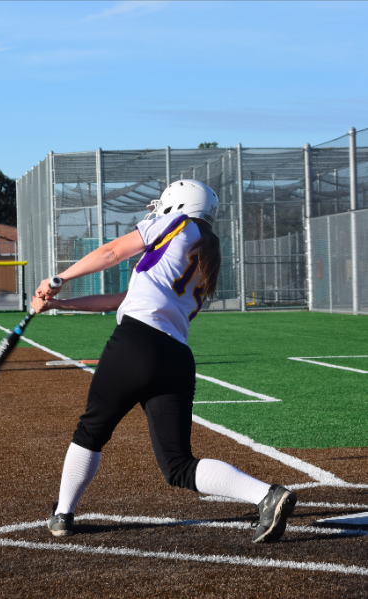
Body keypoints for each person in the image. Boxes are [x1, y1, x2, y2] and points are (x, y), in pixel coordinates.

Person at [32, 180, 296, 544]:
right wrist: (59, 306)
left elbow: (111, 253)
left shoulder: (176, 225)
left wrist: (58, 278)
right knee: (178, 465)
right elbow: (121, 299)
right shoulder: (206, 257)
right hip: (176, 358)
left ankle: (62, 514)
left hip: (135, 343)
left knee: (91, 433)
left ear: (178, 205)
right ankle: (267, 496)